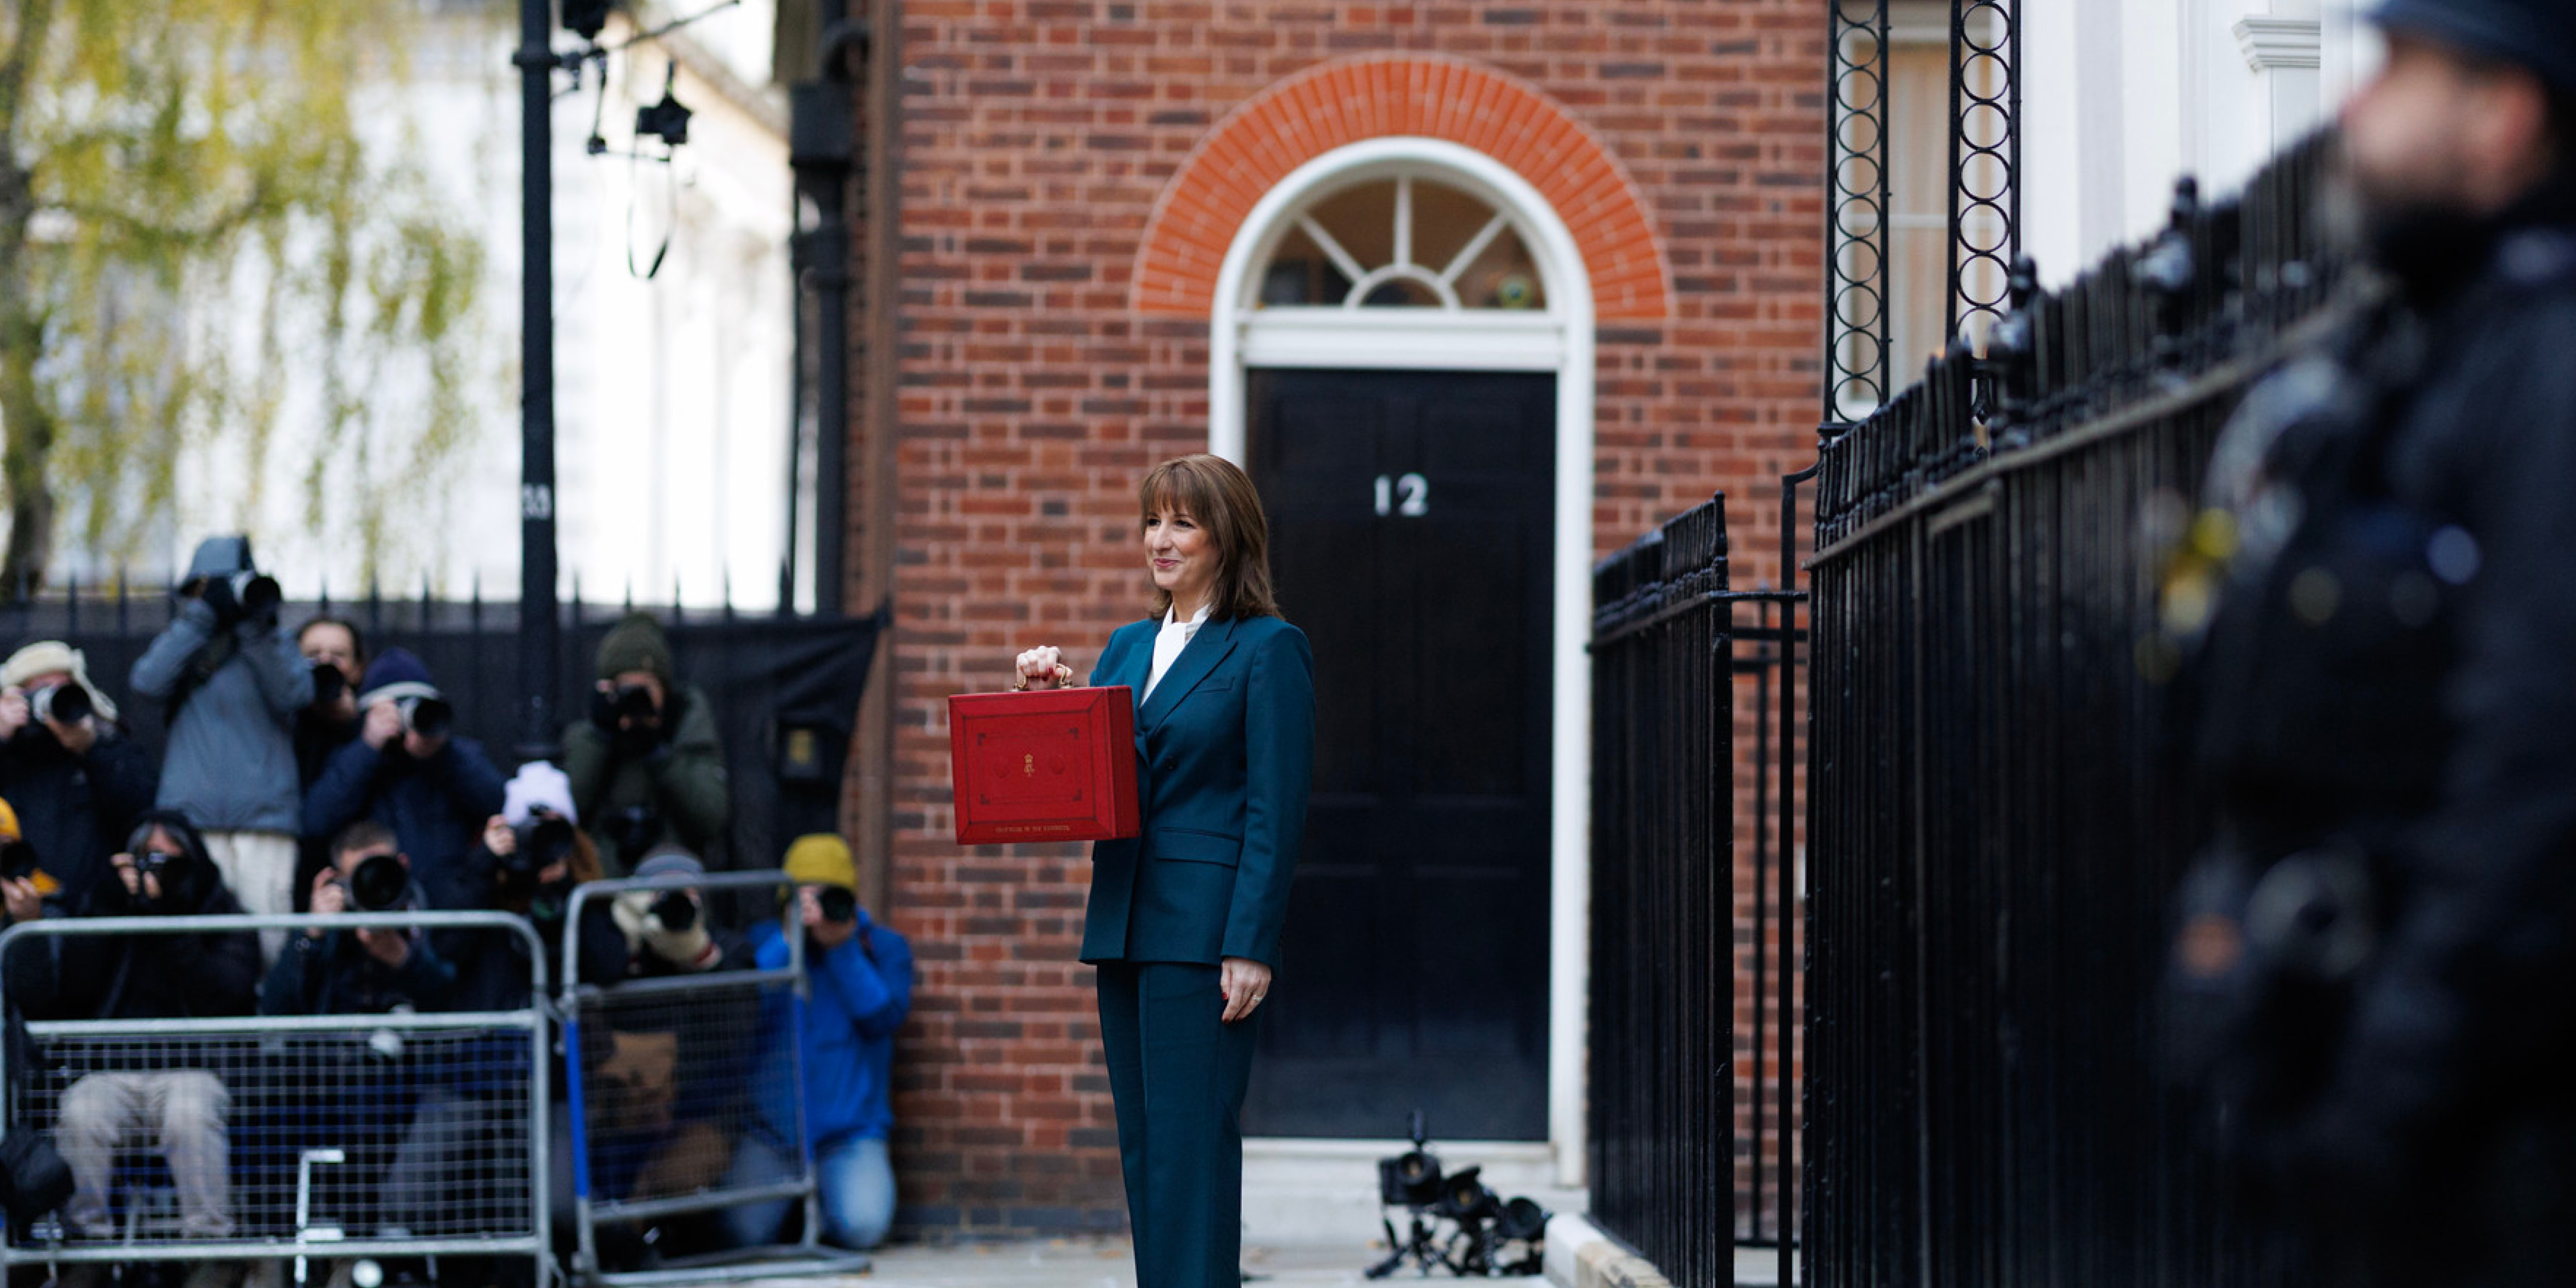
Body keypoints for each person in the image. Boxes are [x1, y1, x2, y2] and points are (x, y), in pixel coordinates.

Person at [2162, 3, 2576, 1283]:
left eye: (2398, 71)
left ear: (2500, 116)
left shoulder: (2544, 361)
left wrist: (2381, 1097)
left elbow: (2536, 776)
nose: (2353, 107)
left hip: (2478, 1155)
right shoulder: (2403, 353)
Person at [1007, 453, 1314, 1288]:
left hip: (1204, 935)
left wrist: (1250, 944)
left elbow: (1276, 811)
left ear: (1227, 538)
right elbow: (1088, 786)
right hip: (1124, 922)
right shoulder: (1127, 646)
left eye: (1183, 522)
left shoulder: (1268, 649)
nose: (1160, 539)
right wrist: (1046, 703)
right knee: (1147, 1150)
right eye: (1153, 521)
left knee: (1191, 1149)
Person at [4, 811, 261, 1288]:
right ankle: (88, 1252)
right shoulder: (109, 907)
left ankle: (211, 1252)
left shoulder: (222, 914)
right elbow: (75, 991)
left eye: (170, 862)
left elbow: (226, 994)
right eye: (148, 860)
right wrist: (110, 902)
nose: (157, 873)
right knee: (82, 1112)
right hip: (110, 1074)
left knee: (189, 1111)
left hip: (193, 1072)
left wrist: (171, 919)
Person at [723, 834, 912, 1251]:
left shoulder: (882, 947)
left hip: (850, 1133)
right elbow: (742, 1011)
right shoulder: (764, 942)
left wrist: (843, 950)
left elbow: (883, 1019)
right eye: (804, 897)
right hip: (773, 1134)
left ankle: (825, 1213)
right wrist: (787, 942)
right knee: (742, 1233)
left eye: (829, 897)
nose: (817, 910)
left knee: (864, 1226)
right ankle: (799, 1216)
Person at [129, 536, 314, 957]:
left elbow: (296, 695)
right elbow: (147, 683)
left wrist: (251, 627)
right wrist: (203, 618)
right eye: (213, 586)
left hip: (264, 823)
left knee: (268, 944)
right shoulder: (184, 642)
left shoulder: (273, 642)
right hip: (193, 824)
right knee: (194, 943)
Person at [302, 648, 506, 918]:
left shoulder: (455, 757)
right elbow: (316, 822)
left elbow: (498, 803)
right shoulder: (351, 756)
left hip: (448, 912)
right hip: (374, 909)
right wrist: (368, 747)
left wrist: (442, 753)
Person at [562, 613, 728, 876]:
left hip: (672, 880)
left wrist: (659, 753)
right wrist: (600, 736)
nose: (635, 700)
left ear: (665, 689)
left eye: (645, 689)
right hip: (601, 882)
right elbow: (567, 814)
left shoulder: (686, 728)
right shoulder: (589, 738)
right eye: (626, 690)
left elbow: (710, 819)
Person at [0, 641, 156, 911]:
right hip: (16, 910)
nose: (52, 700)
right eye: (40, 691)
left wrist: (92, 748)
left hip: (93, 912)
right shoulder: (9, 756)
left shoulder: (107, 742)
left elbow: (140, 815)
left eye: (62, 690)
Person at [293, 616, 368, 789]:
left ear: (357, 669)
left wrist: (354, 725)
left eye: (338, 655)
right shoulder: (278, 725)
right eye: (313, 654)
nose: (325, 662)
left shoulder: (371, 730)